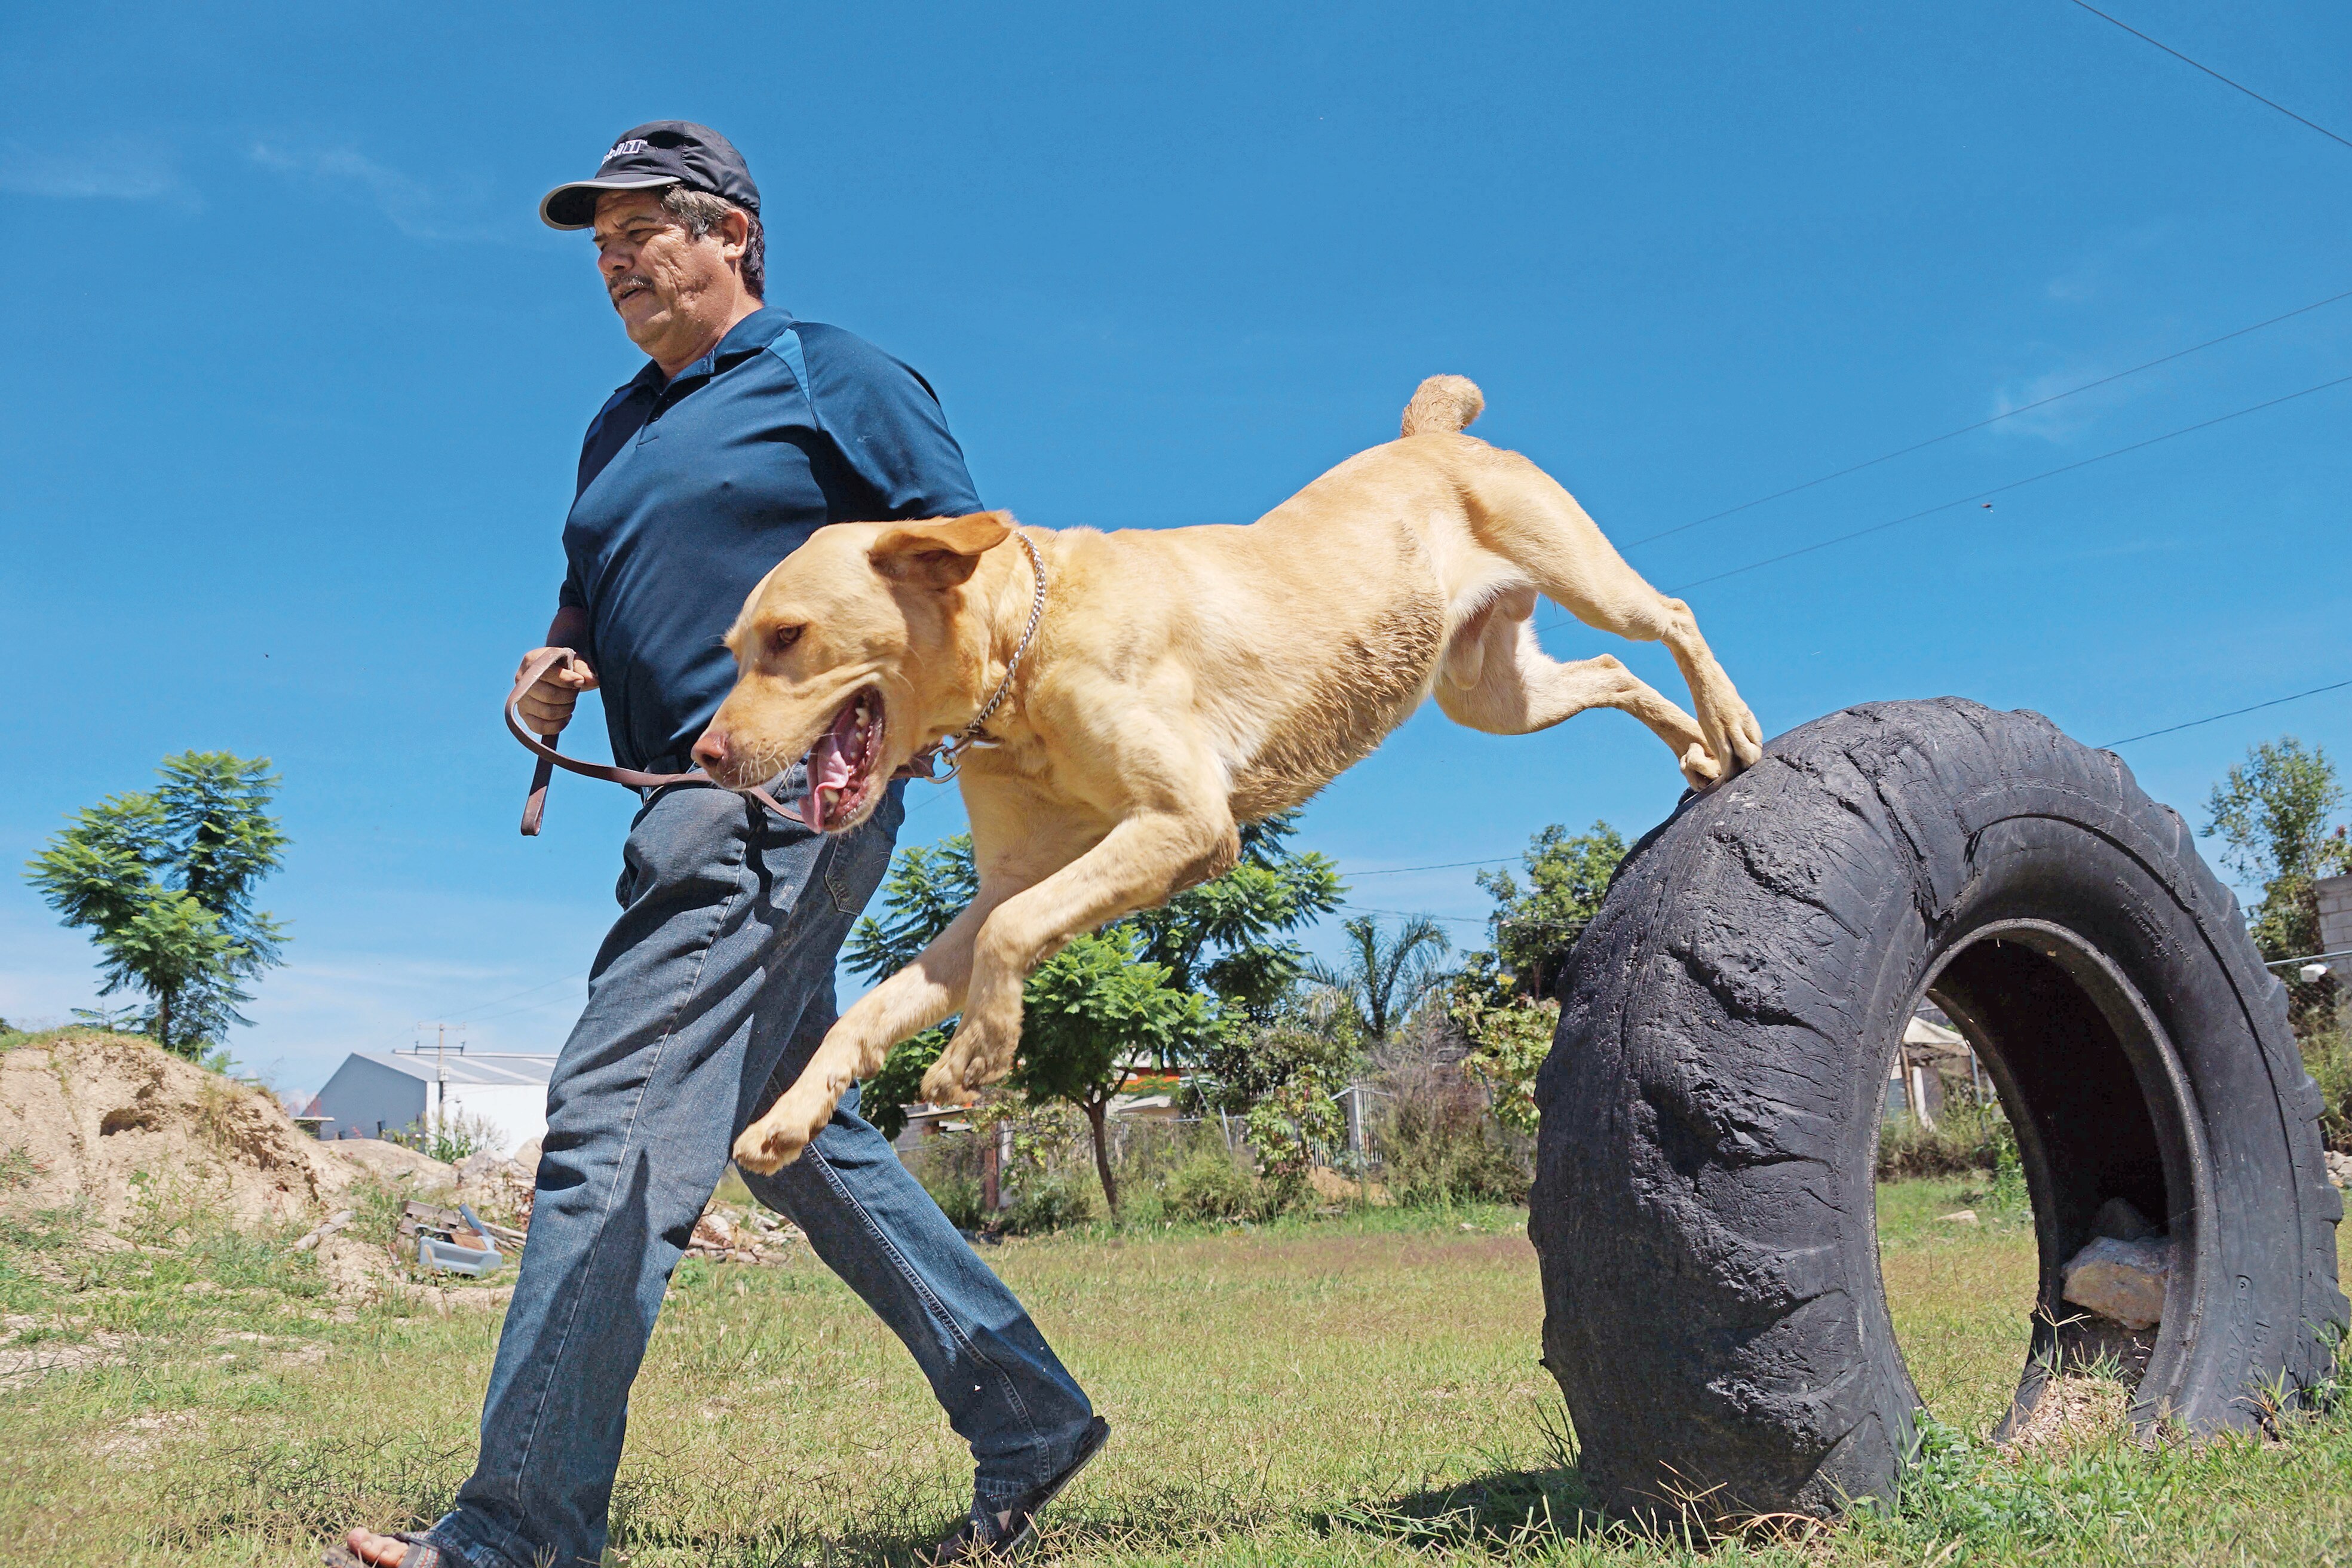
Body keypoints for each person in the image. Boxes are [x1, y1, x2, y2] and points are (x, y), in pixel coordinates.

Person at [333, 121, 1105, 1568]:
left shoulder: (829, 371)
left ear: (731, 235)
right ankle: (1030, 1412)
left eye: (644, 231)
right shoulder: (620, 421)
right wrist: (551, 663)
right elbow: (586, 580)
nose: (616, 261)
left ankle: (519, 1526)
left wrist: (905, 738)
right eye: (600, 244)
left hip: (780, 802)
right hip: (671, 792)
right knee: (786, 1138)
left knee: (614, 1110)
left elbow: (969, 559)